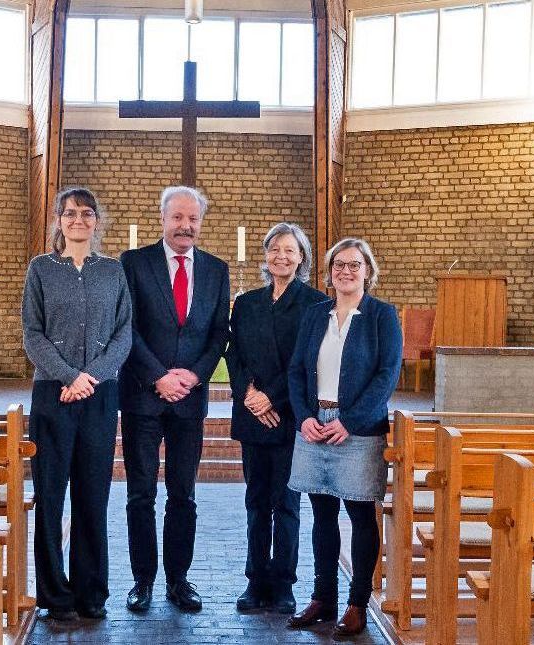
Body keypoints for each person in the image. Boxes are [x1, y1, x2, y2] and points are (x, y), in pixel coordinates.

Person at [21, 187, 132, 622]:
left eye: (87, 214)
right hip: (54, 393)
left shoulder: (113, 271)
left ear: (97, 221)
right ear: (58, 220)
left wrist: (92, 378)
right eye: (70, 214)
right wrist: (70, 377)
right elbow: (33, 333)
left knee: (93, 495)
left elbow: (124, 333)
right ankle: (55, 595)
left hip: (100, 396)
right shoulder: (41, 269)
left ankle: (91, 593)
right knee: (50, 495)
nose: (78, 220)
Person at [119, 185, 231, 613]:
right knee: (140, 494)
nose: (186, 226)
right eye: (178, 217)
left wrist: (196, 374)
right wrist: (157, 377)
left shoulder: (216, 270)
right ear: (163, 219)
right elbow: (126, 327)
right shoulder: (134, 263)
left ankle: (178, 580)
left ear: (200, 222)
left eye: (193, 219)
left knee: (183, 494)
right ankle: (142, 581)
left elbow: (219, 331)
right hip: (143, 398)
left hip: (190, 399)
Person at [285, 238, 402, 639]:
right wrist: (303, 417)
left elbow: (386, 376)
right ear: (330, 271)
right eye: (339, 265)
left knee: (359, 516)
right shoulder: (315, 314)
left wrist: (349, 421)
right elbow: (297, 370)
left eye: (354, 265)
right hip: (315, 423)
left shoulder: (381, 316)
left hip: (358, 428)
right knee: (320, 515)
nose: (346, 272)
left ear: (368, 271)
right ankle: (323, 599)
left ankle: (356, 605)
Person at [224, 223, 328, 614]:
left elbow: (310, 362)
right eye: (274, 250)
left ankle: (283, 583)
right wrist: (249, 394)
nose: (281, 256)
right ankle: (255, 581)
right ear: (265, 256)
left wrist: (273, 399)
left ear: (301, 257)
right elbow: (232, 354)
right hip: (253, 415)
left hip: (290, 415)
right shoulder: (248, 302)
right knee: (255, 501)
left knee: (286, 503)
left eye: (289, 250)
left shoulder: (315, 304)